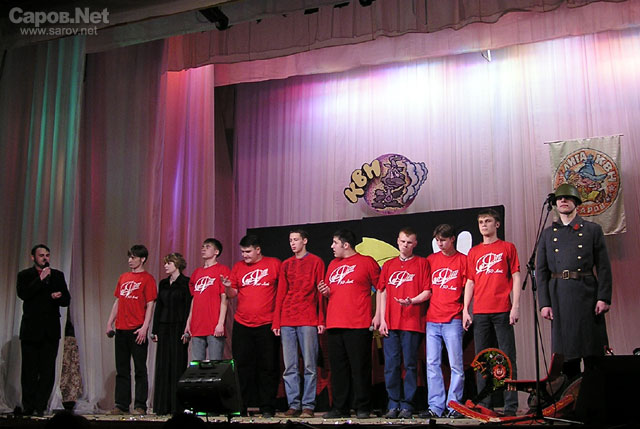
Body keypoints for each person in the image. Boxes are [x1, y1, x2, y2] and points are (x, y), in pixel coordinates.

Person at [536, 183, 612, 379]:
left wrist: (603, 297)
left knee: (592, 355)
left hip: (587, 295)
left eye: (568, 197)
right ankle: (571, 397)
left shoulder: (592, 230)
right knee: (567, 358)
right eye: (559, 198)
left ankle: (594, 397)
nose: (563, 200)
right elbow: (541, 271)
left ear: (576, 202)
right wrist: (544, 303)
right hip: (559, 296)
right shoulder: (547, 234)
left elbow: (603, 267)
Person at [400, 224, 467, 418]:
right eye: (437, 240)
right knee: (432, 364)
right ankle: (436, 406)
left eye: (443, 240)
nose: (440, 244)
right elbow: (426, 289)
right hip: (432, 319)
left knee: (456, 365)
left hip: (453, 317)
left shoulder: (462, 260)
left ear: (452, 239)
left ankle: (454, 406)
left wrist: (466, 312)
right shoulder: (431, 260)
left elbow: (468, 288)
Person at [463, 209, 521, 416]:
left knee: (507, 358)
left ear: (497, 224)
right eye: (480, 222)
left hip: (502, 309)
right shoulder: (474, 252)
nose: (484, 225)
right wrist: (465, 310)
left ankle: (510, 406)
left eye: (487, 221)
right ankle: (485, 405)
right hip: (480, 311)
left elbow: (516, 276)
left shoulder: (507, 247)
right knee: (482, 360)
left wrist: (515, 306)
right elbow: (470, 281)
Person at [318, 229, 380, 419]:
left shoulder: (366, 262)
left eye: (335, 243)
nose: (332, 246)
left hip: (358, 323)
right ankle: (340, 407)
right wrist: (326, 292)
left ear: (346, 245)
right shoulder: (332, 264)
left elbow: (382, 288)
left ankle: (362, 406)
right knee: (338, 369)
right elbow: (332, 291)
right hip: (335, 323)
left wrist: (378, 315)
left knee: (360, 368)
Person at [222, 235, 281, 418]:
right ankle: (242, 405)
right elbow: (232, 293)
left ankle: (267, 407)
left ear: (258, 250)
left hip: (267, 323)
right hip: (242, 324)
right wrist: (227, 287)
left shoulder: (273, 264)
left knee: (268, 367)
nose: (244, 255)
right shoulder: (238, 267)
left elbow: (282, 290)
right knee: (242, 367)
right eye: (242, 252)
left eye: (248, 251)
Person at [374, 227, 428, 419]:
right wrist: (382, 318)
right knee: (391, 365)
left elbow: (427, 291)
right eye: (403, 241)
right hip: (391, 322)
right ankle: (393, 403)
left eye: (409, 242)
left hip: (412, 322)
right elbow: (382, 291)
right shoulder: (389, 265)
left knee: (410, 364)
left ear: (415, 244)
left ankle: (408, 404)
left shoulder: (422, 263)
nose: (405, 245)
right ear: (397, 241)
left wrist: (412, 301)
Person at [272, 229, 326, 418]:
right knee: (290, 366)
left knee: (310, 365)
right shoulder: (286, 264)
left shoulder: (316, 261)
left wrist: (321, 319)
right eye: (290, 240)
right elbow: (281, 293)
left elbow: (320, 292)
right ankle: (293, 404)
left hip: (308, 318)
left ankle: (308, 405)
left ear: (305, 241)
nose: (293, 243)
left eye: (296, 240)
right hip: (287, 318)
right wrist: (276, 322)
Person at [17, 244, 71, 416]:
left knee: (47, 371)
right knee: (29, 371)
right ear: (33, 257)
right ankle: (28, 406)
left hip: (50, 331)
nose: (45, 258)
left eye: (47, 255)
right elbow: (24, 294)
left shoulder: (57, 275)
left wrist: (58, 296)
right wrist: (40, 279)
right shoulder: (25, 275)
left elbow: (66, 300)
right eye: (41, 255)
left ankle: (41, 406)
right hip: (31, 330)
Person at [106, 245, 157, 415]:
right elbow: (118, 301)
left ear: (142, 259)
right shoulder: (123, 277)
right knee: (122, 369)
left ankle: (140, 405)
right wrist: (109, 323)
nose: (130, 260)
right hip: (121, 329)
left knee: (140, 369)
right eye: (129, 257)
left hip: (137, 330)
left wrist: (145, 327)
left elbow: (150, 304)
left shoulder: (148, 279)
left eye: (133, 257)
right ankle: (121, 404)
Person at [151, 253, 191, 415]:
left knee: (177, 364)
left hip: (179, 326)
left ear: (177, 264)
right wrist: (155, 330)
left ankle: (177, 406)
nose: (166, 266)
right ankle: (162, 406)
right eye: (165, 263)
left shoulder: (186, 283)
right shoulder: (163, 283)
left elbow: (188, 306)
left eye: (169, 263)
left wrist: (187, 329)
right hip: (164, 326)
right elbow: (159, 307)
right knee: (163, 365)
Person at [184, 239, 230, 361]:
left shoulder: (222, 270)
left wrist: (220, 323)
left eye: (208, 247)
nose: (203, 249)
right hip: (197, 325)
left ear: (216, 251)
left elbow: (224, 298)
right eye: (203, 246)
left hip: (213, 325)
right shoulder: (197, 272)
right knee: (196, 364)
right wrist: (189, 321)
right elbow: (194, 299)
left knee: (215, 364)